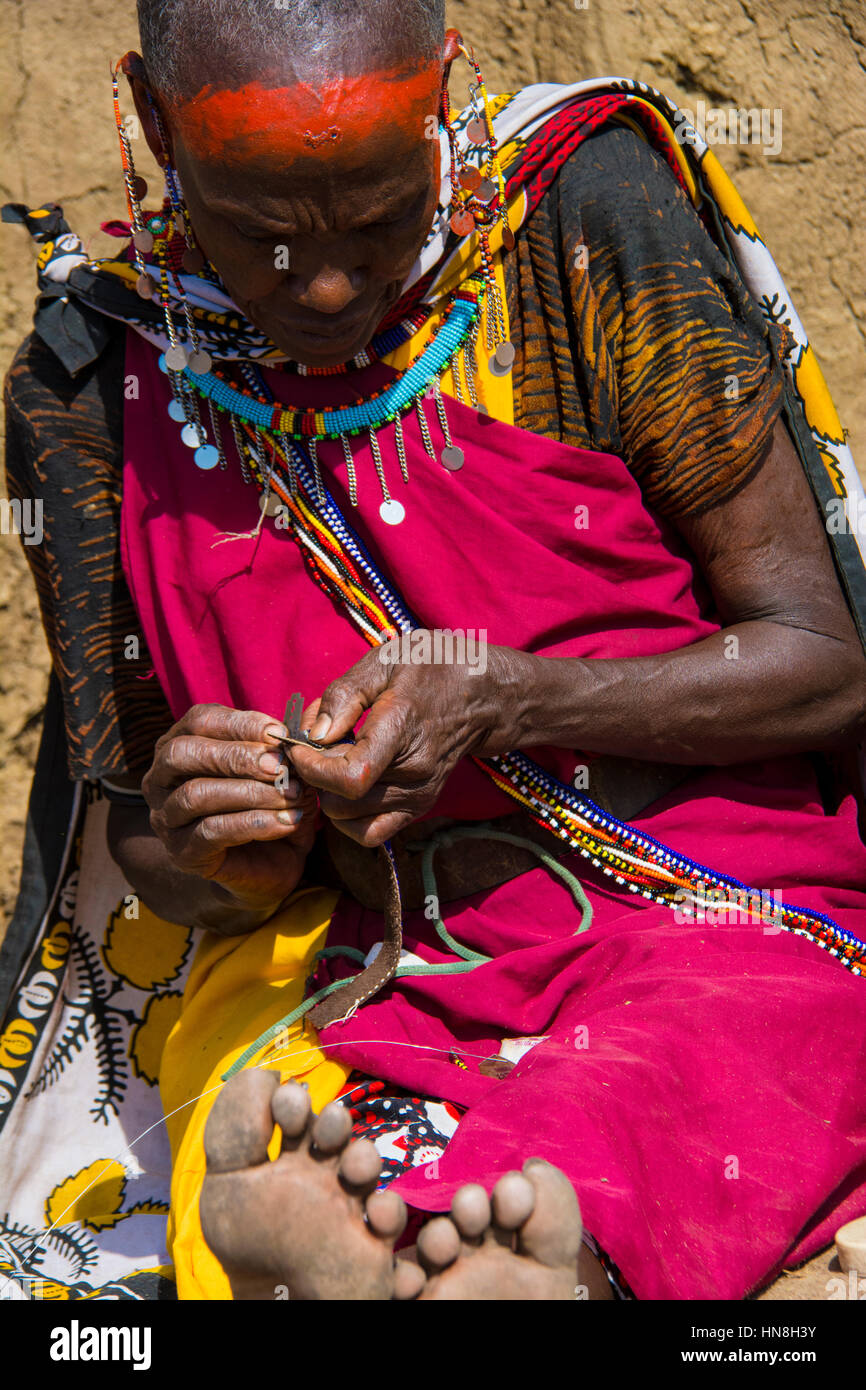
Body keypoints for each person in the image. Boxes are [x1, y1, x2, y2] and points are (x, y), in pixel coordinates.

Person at [2, 0, 866, 1301]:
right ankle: (410, 1231)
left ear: (443, 94)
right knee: (259, 1087)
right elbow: (143, 857)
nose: (330, 287)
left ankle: (467, 1245)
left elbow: (823, 662)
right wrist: (215, 841)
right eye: (263, 238)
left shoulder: (580, 212)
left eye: (378, 215)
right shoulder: (94, 376)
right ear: (152, 117)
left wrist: (510, 695)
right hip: (366, 942)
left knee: (704, 1052)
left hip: (696, 898)